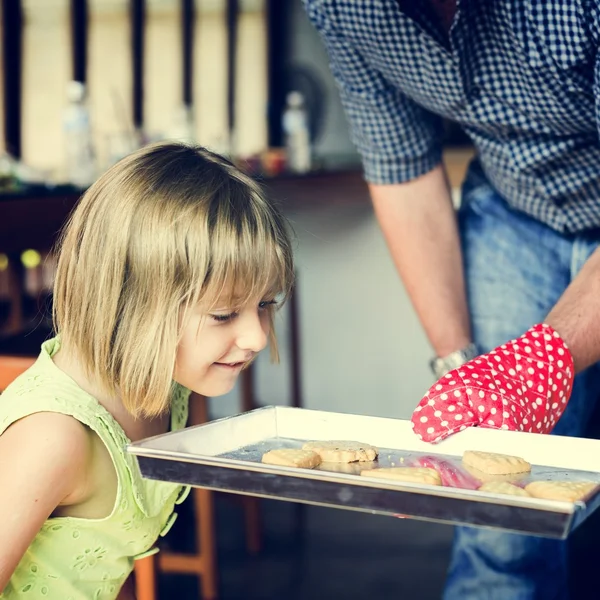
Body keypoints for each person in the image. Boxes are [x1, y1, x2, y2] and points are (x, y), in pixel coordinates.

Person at [304, 1, 600, 598]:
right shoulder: (342, 7)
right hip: (516, 209)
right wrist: (463, 374)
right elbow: (400, 166)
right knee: (497, 530)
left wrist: (538, 361)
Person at [0, 142, 294, 599]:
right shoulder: (53, 437)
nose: (257, 337)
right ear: (133, 304)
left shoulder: (167, 391)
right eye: (223, 314)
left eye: (265, 304)